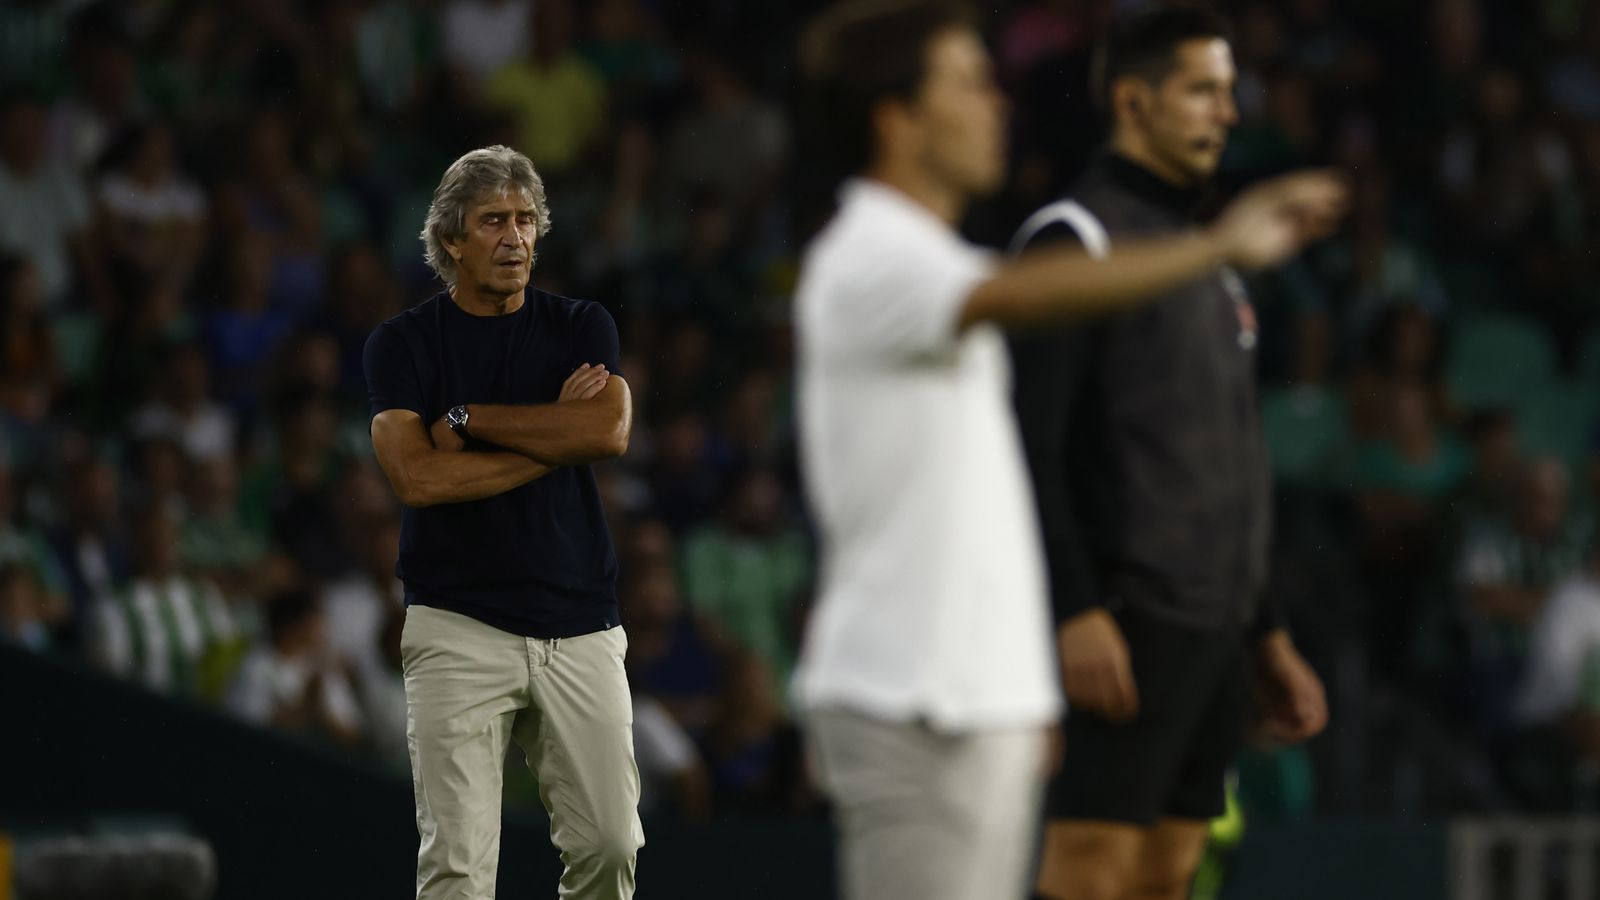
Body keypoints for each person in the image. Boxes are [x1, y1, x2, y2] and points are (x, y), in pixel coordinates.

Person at [791, 3, 1344, 899]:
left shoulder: (939, 261)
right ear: (896, 117)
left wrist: (1021, 684)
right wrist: (1215, 244)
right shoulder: (874, 258)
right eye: (969, 82)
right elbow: (1028, 361)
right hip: (911, 695)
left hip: (980, 693)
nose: (999, 103)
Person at [1005, 9, 1329, 899]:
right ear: (1133, 100)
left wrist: (1264, 633)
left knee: (1171, 874)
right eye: (1201, 90)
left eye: (1230, 92)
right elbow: (1031, 438)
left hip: (1212, 625)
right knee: (1087, 874)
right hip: (1122, 616)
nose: (1225, 111)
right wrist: (1073, 606)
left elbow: (1232, 460)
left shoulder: (1212, 262)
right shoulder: (1076, 238)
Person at [364, 145, 642, 900]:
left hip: (579, 621)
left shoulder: (582, 324)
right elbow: (418, 477)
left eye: (526, 220)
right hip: (457, 625)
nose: (516, 237)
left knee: (612, 846)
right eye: (493, 221)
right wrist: (556, 437)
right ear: (451, 238)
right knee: (457, 870)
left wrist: (469, 419)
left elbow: (609, 434)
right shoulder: (403, 343)